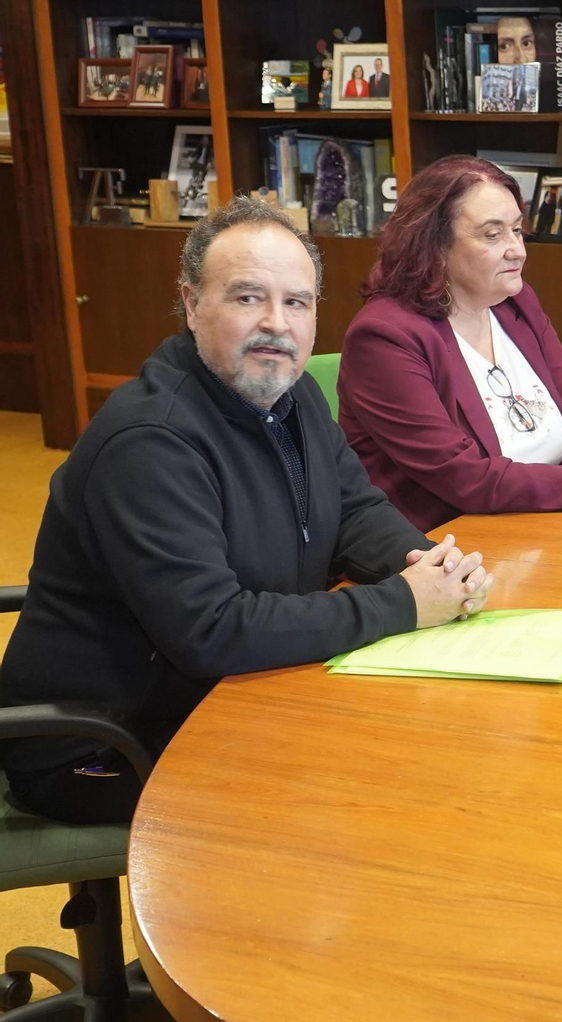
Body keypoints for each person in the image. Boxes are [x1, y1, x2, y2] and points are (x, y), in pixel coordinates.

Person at [0, 198, 495, 826]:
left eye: (297, 302)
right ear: (191, 304)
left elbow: (354, 507)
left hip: (223, 696)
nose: (276, 324)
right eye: (246, 298)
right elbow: (212, 631)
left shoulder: (295, 391)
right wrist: (403, 603)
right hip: (105, 741)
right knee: (361, 793)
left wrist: (427, 564)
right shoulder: (150, 442)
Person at [340, 156, 562, 532]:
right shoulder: (384, 337)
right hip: (447, 548)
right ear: (433, 245)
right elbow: (465, 478)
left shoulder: (514, 301)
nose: (518, 250)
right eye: (493, 235)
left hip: (546, 526)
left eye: (517, 230)